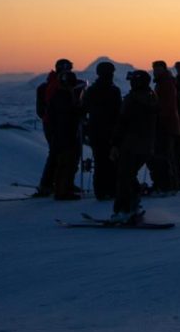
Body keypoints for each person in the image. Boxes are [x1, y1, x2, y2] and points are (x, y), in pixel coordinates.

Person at [110, 70, 158, 222]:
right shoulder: (152, 98)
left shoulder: (132, 99)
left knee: (124, 176)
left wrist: (115, 144)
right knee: (129, 175)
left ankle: (123, 211)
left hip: (130, 144)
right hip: (147, 145)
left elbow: (122, 123)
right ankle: (133, 205)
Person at [34, 58, 73, 197]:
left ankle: (57, 183)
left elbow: (40, 110)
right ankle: (49, 184)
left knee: (59, 154)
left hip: (53, 124)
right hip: (55, 125)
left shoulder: (46, 87)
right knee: (57, 153)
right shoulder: (51, 88)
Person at [82, 62, 122, 201]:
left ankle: (101, 191)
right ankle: (111, 190)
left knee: (100, 162)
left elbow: (83, 109)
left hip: (96, 131)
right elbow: (119, 112)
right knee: (112, 162)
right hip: (111, 132)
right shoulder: (114, 90)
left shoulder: (91, 90)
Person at [47, 69, 84, 199]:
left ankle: (63, 188)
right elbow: (68, 116)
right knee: (67, 163)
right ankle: (63, 191)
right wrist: (78, 110)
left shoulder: (59, 96)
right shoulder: (64, 97)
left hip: (61, 134)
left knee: (65, 163)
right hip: (66, 134)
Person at [149, 60, 180, 192]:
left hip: (165, 124)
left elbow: (166, 105)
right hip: (167, 124)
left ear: (163, 69)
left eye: (157, 69)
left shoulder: (165, 83)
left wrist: (156, 115)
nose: (155, 72)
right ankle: (170, 183)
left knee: (164, 155)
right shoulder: (165, 82)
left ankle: (167, 184)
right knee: (166, 155)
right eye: (154, 69)